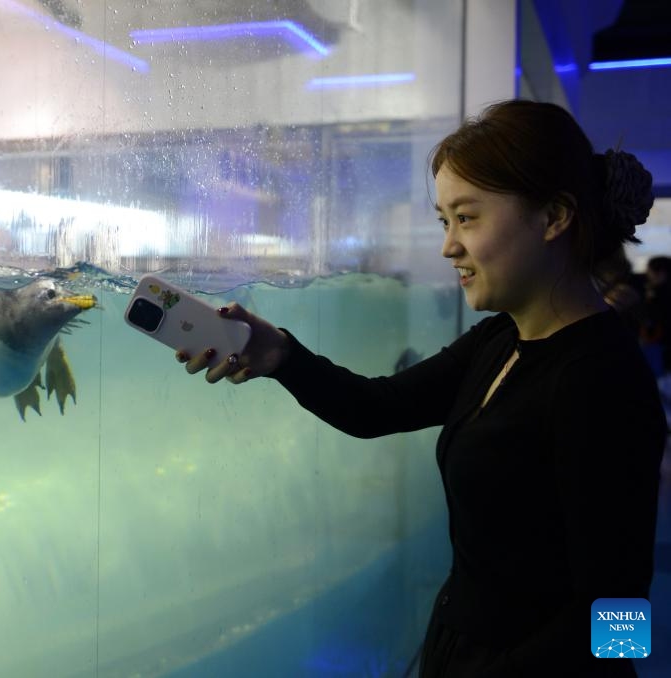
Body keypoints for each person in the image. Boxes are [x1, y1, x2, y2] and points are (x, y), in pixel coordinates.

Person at [179, 99, 666, 677]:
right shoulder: (498, 340)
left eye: (468, 217)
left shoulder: (603, 382)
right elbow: (375, 407)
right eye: (444, 220)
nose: (448, 246)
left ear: (555, 216)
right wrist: (281, 354)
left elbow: (623, 624)